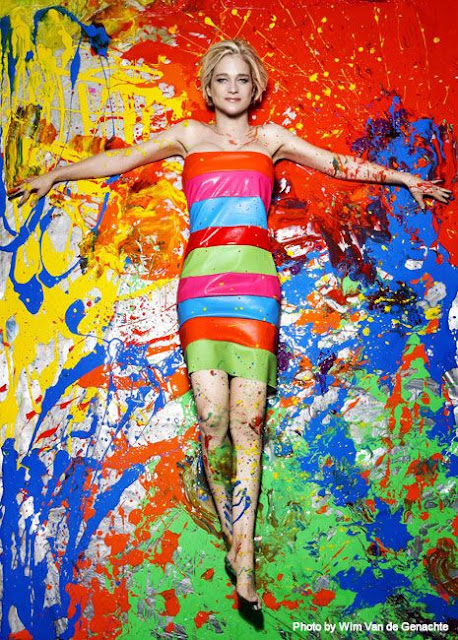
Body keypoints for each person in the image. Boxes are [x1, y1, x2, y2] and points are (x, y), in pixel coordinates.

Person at [8, 39, 452, 618]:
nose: (234, 88)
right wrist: (57, 174)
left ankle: (243, 559)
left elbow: (337, 164)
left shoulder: (271, 140)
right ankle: (234, 542)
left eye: (243, 79)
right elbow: (121, 160)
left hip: (256, 290)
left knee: (249, 425)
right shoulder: (189, 136)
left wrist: (402, 179)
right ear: (209, 87)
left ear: (255, 86)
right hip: (201, 288)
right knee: (213, 424)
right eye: (223, 79)